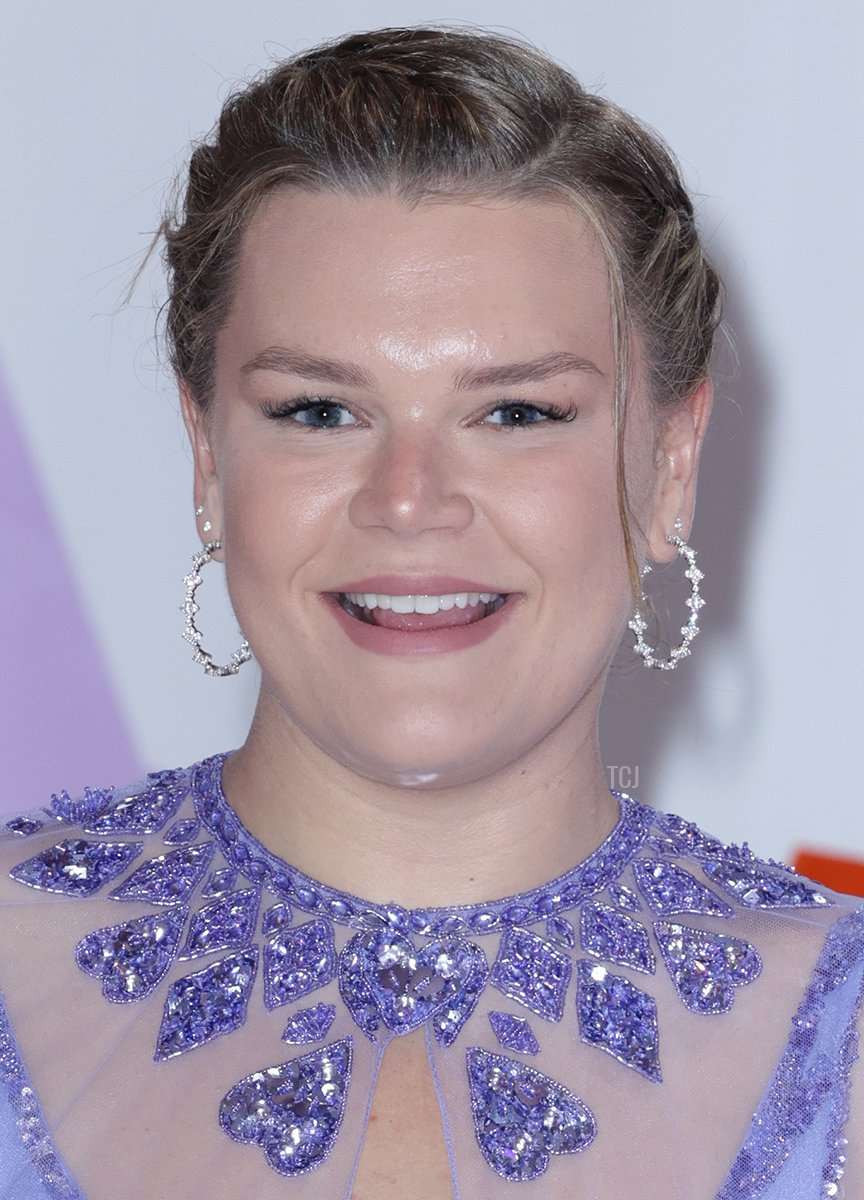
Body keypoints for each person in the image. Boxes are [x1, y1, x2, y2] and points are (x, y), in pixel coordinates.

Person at [0, 25, 860, 1200]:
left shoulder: (843, 1041)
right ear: (207, 457)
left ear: (670, 464)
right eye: (317, 411)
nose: (409, 502)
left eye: (516, 413)